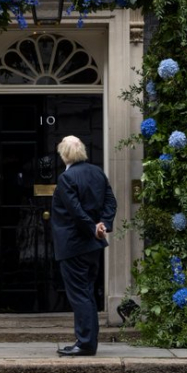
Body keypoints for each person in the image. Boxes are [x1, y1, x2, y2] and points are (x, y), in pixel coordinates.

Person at [50, 135, 117, 357]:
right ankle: (87, 340)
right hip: (93, 245)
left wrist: (92, 227)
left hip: (74, 245)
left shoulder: (66, 178)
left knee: (80, 294)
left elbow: (75, 210)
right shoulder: (97, 172)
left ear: (63, 154)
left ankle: (86, 342)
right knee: (87, 292)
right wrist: (103, 225)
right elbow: (110, 201)